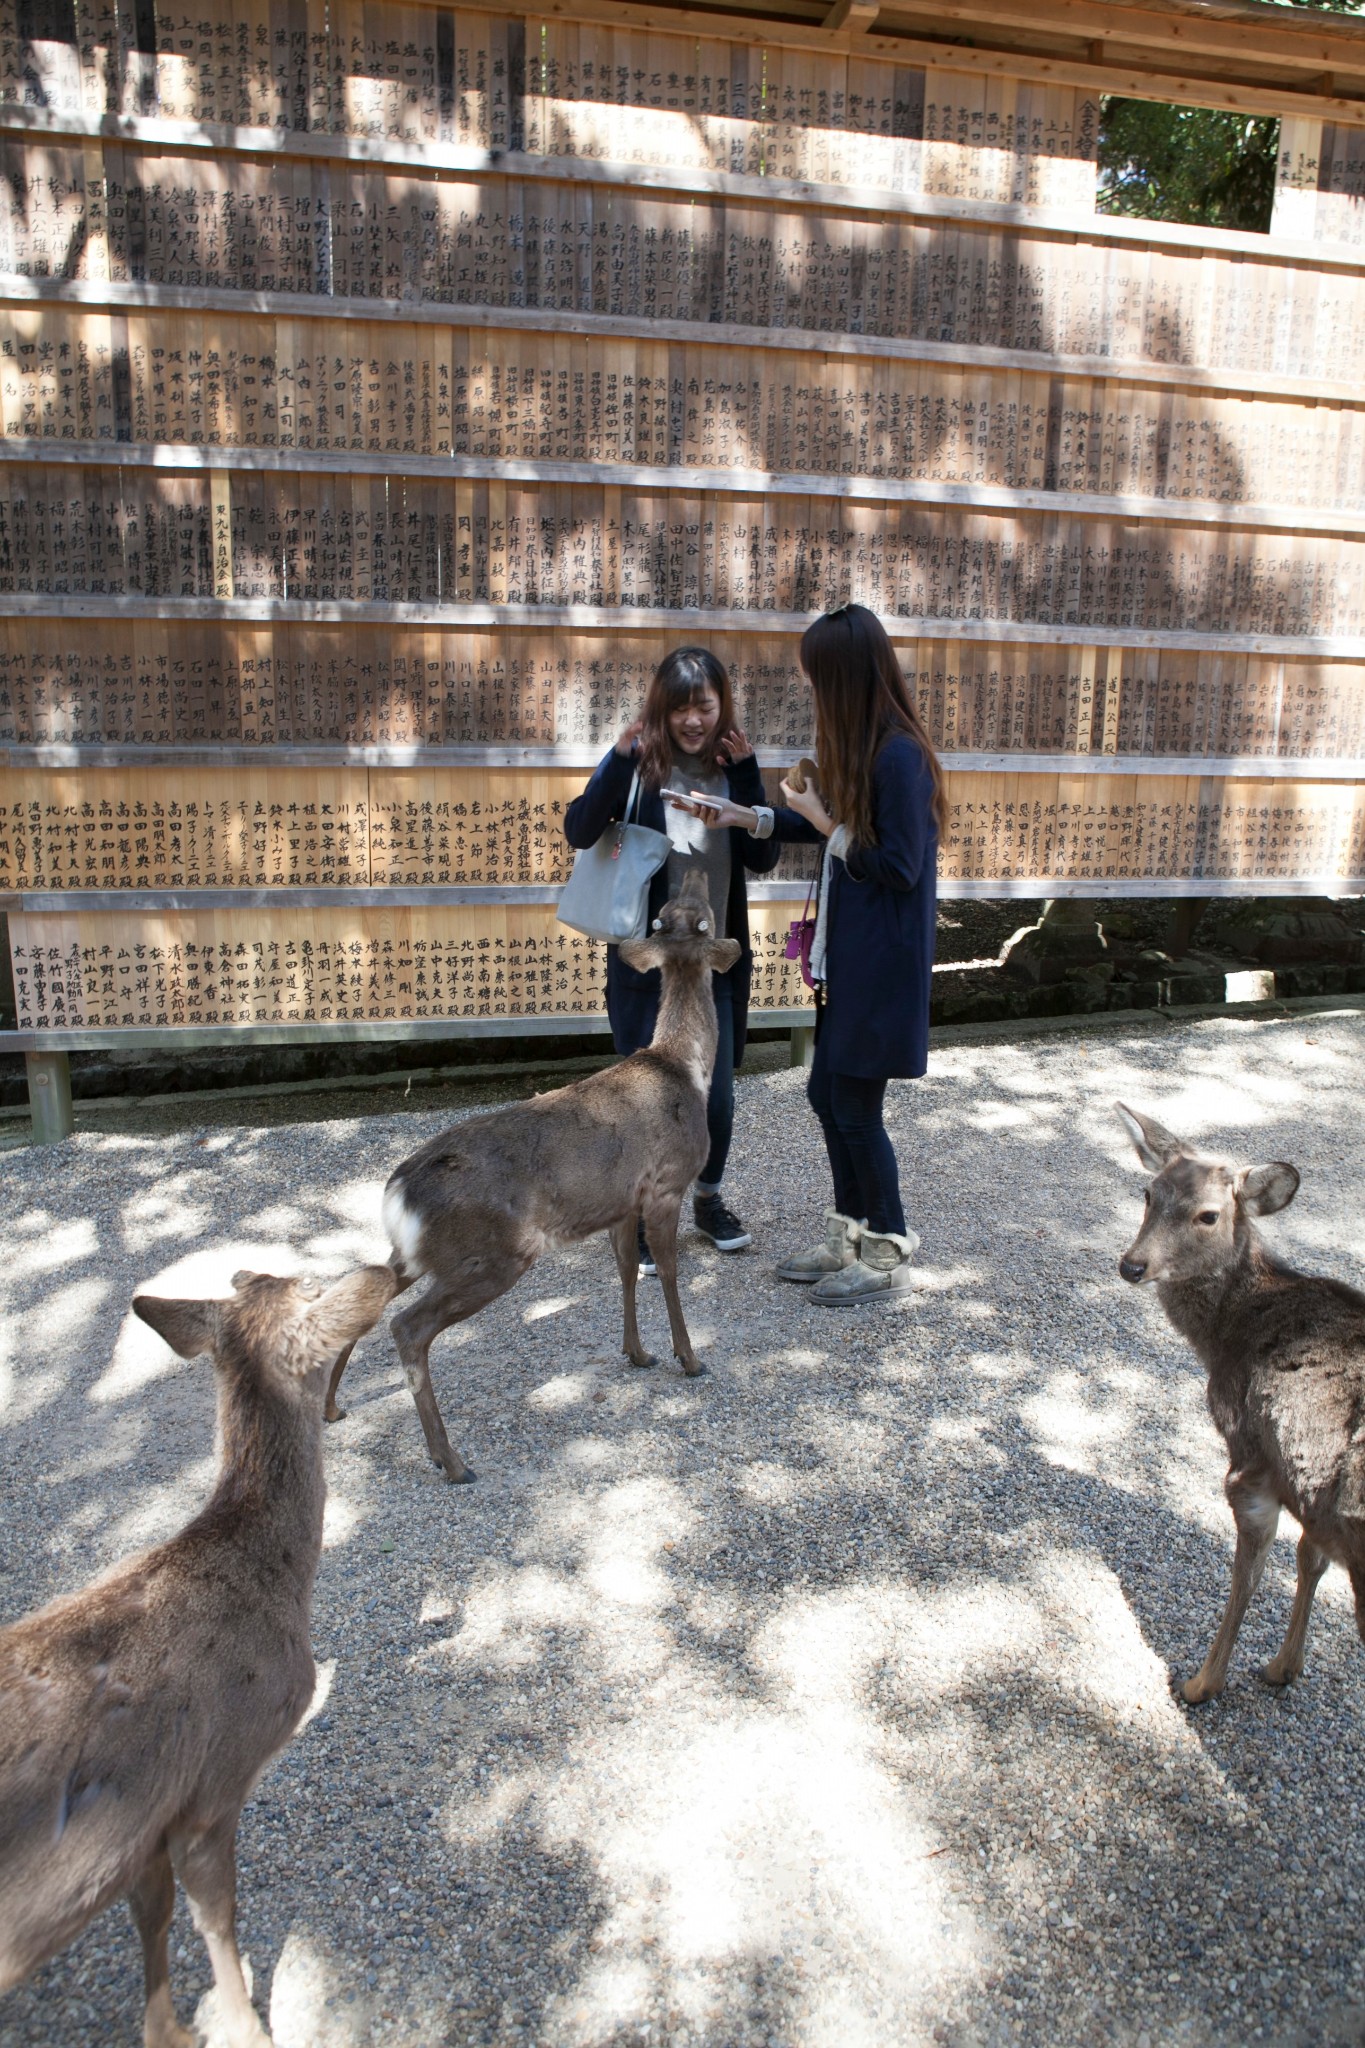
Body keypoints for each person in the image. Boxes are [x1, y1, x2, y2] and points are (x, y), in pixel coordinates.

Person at [692, 604, 946, 1305]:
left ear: (844, 679)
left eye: (814, 681)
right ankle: (848, 1237)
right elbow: (828, 827)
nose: (810, 693)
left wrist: (819, 820)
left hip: (880, 966)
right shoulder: (868, 750)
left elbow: (896, 864)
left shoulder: (899, 757)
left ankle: (886, 1252)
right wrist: (752, 818)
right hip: (849, 961)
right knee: (824, 1095)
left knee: (856, 1108)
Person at [564, 647, 780, 1269]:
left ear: (722, 707)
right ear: (662, 709)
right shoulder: (641, 767)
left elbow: (762, 861)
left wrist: (748, 774)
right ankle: (637, 1213)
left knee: (716, 1095)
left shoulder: (730, 765)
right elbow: (579, 829)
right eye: (681, 708)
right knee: (642, 1096)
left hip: (715, 963)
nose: (693, 721)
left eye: (704, 706)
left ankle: (707, 1200)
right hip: (648, 964)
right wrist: (619, 756)